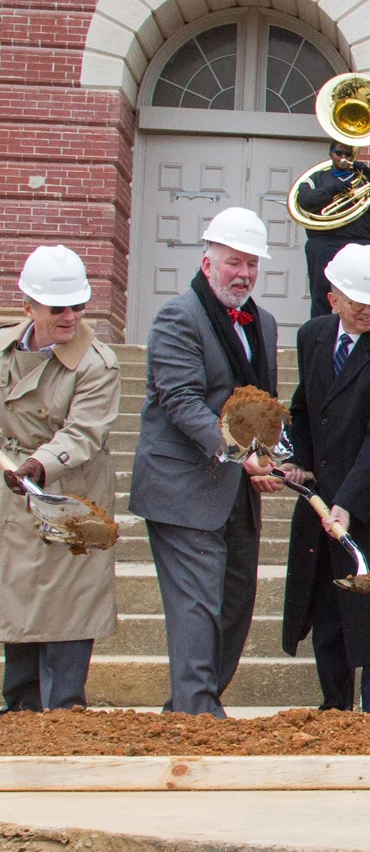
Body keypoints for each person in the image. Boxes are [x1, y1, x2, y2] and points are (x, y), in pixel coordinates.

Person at [132, 208, 283, 718]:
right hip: (183, 488)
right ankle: (199, 714)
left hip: (236, 490)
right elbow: (180, 400)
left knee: (236, 607)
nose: (243, 274)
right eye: (233, 262)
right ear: (207, 262)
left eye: (251, 265)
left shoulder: (263, 322)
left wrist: (268, 458)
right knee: (197, 607)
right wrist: (241, 456)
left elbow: (261, 405)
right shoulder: (177, 317)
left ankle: (188, 710)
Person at [280, 244, 370, 712]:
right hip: (322, 498)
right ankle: (334, 707)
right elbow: (304, 408)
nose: (366, 310)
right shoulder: (312, 337)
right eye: (356, 300)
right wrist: (299, 459)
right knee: (329, 609)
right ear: (332, 295)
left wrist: (350, 502)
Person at [0, 247, 119, 711]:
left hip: (71, 495)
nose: (70, 316)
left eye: (77, 305)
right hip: (14, 496)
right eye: (57, 308)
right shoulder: (7, 348)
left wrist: (38, 465)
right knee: (19, 602)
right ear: (27, 306)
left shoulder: (97, 362)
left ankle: (65, 715)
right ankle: (19, 711)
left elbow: (84, 431)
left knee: (70, 607)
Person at [295, 141, 370, 316]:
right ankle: (321, 337)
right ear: (330, 153)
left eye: (348, 155)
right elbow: (304, 200)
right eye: (339, 153)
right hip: (324, 242)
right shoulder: (316, 177)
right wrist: (333, 190)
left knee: (365, 292)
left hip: (360, 241)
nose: (343, 158)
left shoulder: (362, 178)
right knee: (322, 294)